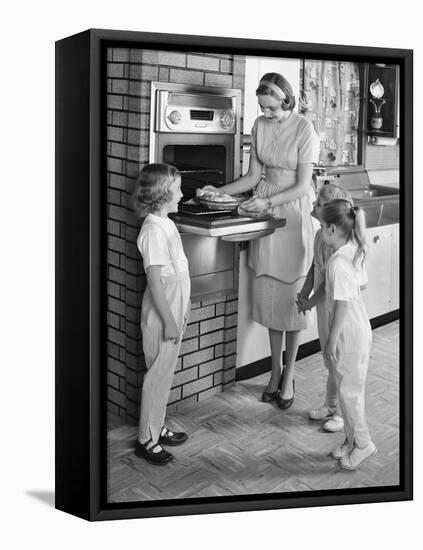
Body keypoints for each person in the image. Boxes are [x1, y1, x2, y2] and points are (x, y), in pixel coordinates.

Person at [202, 72, 319, 409]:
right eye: (263, 109)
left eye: (272, 108)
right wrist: (217, 192)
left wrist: (268, 202)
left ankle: (289, 374)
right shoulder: (259, 125)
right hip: (263, 206)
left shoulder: (304, 129)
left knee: (292, 299)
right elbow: (253, 177)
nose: (267, 114)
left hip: (292, 210)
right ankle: (274, 371)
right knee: (269, 295)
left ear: (286, 100)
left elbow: (301, 185)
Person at [133, 163, 191, 466]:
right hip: (161, 313)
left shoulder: (165, 223)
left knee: (164, 374)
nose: (182, 194)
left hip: (173, 308)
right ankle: (146, 439)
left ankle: (156, 426)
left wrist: (181, 311)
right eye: (177, 189)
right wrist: (169, 319)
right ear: (161, 195)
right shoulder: (153, 231)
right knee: (156, 377)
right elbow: (155, 282)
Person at [320, 199, 376, 470]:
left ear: (331, 229)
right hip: (354, 328)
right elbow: (361, 285)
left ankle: (364, 444)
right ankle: (351, 440)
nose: (320, 231)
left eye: (321, 226)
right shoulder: (350, 251)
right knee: (345, 389)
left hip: (348, 333)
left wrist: (331, 340)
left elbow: (341, 305)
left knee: (350, 391)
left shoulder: (338, 263)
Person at [296, 184, 353, 433]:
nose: (314, 204)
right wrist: (304, 291)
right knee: (329, 360)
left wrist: (309, 301)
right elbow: (314, 267)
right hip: (323, 307)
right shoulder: (322, 235)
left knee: (339, 361)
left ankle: (342, 413)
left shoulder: (337, 245)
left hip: (336, 309)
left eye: (318, 202)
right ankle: (330, 405)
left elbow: (329, 286)